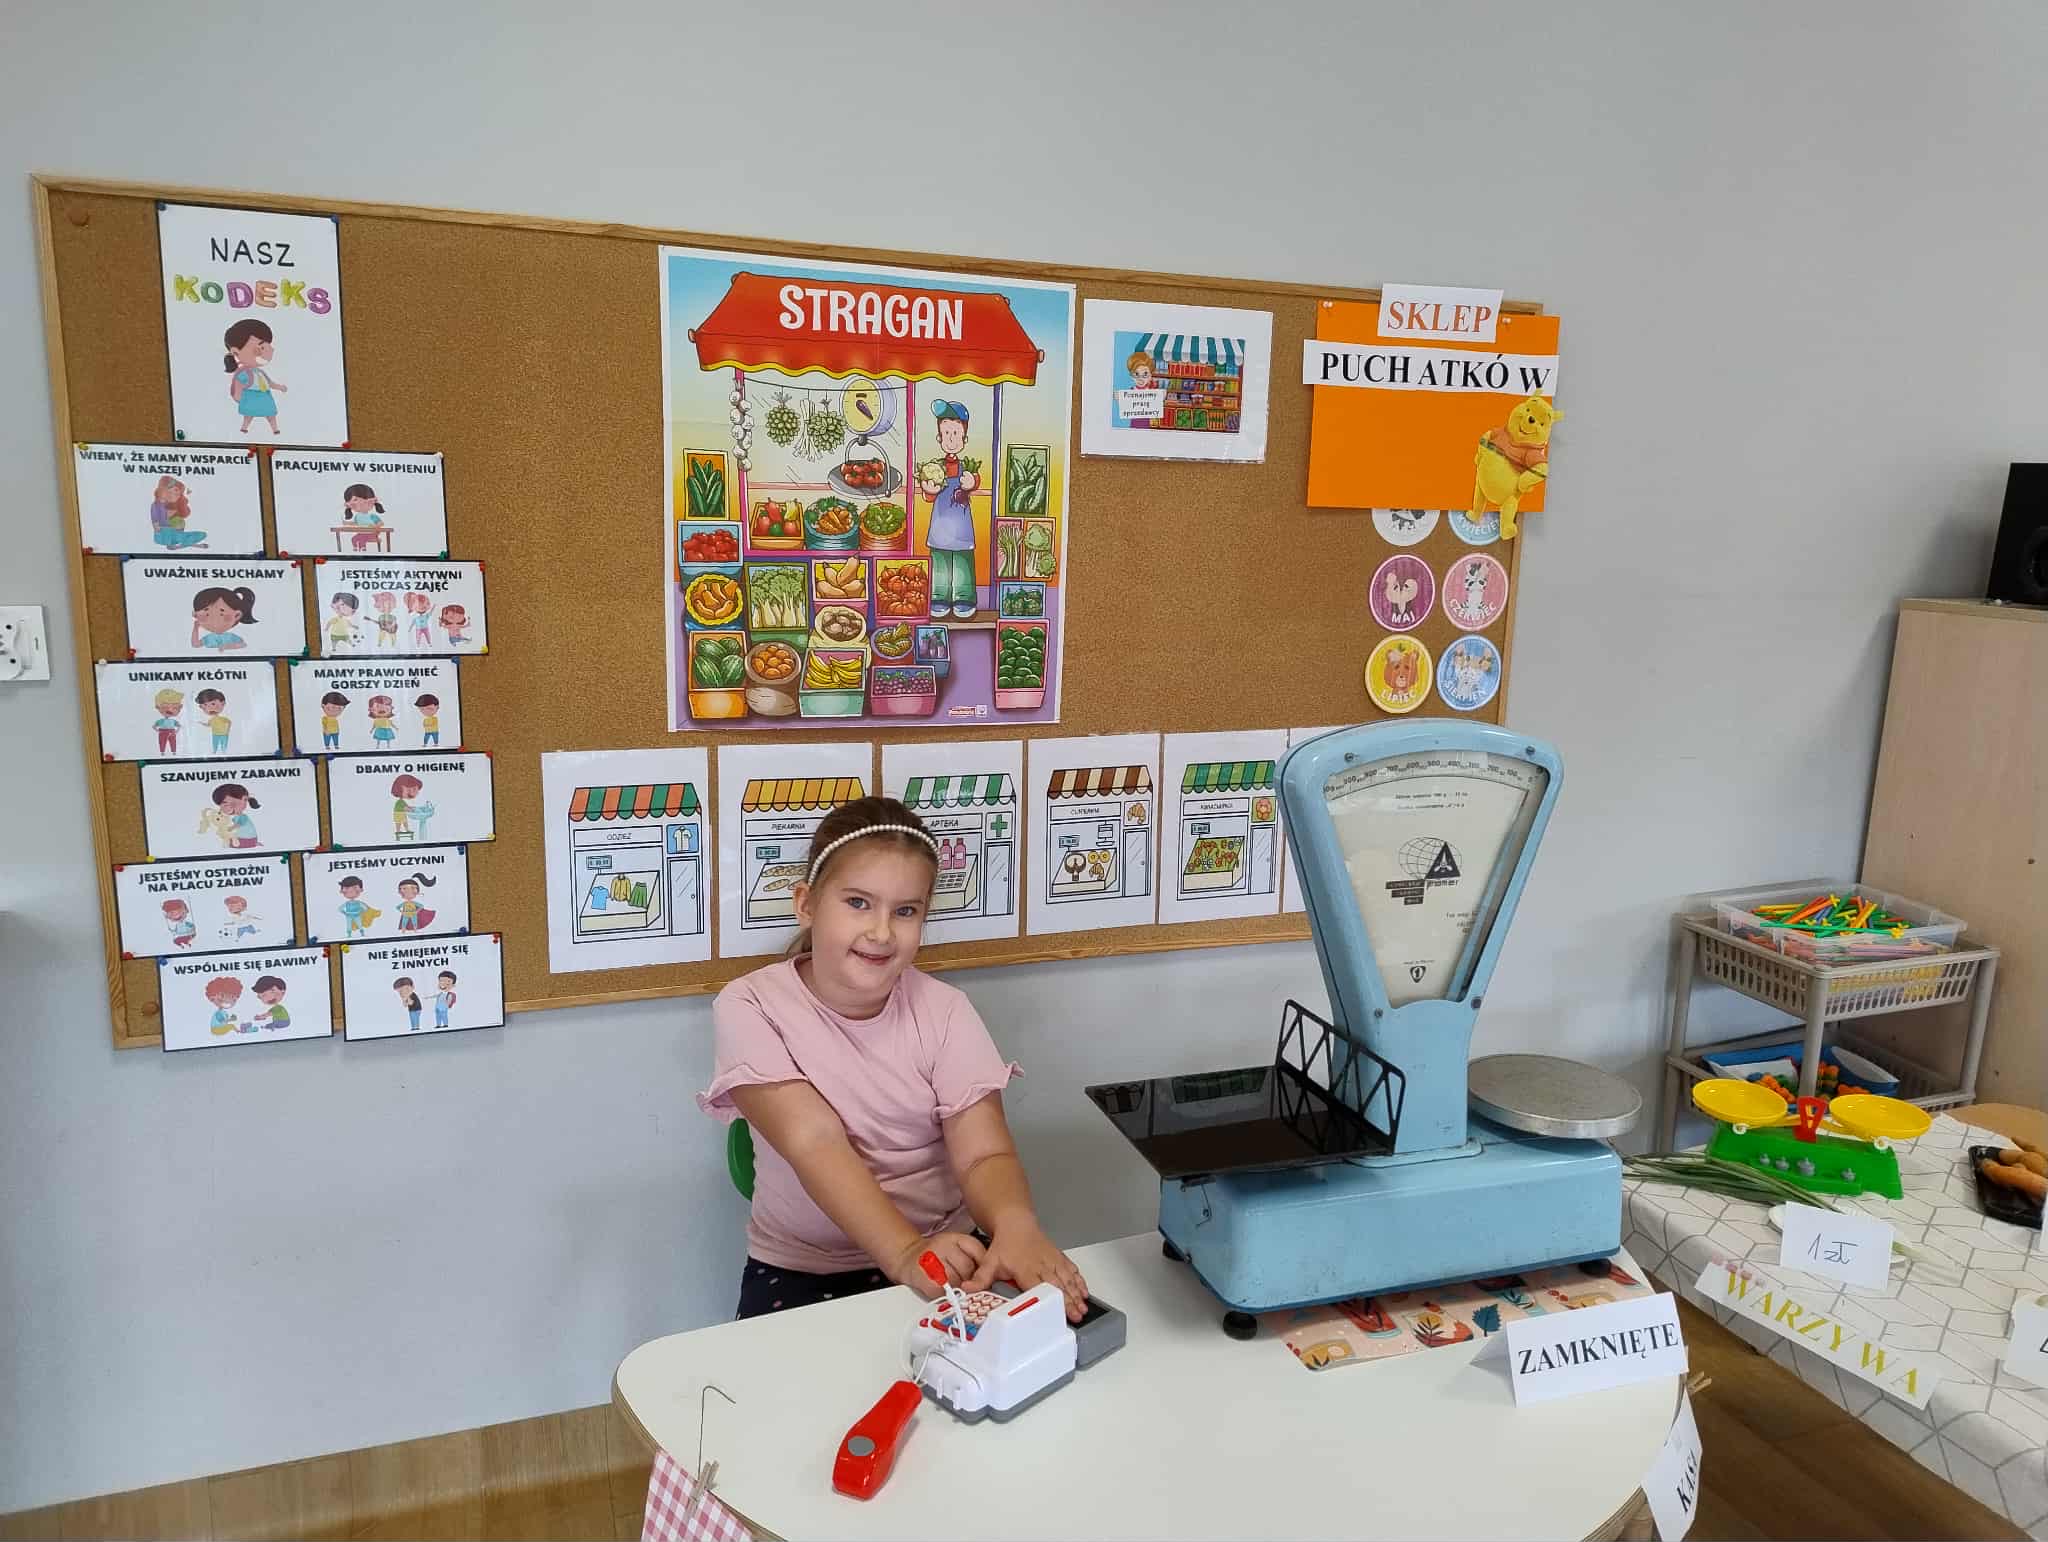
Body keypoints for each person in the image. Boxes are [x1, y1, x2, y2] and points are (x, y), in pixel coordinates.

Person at [699, 796, 1085, 1321]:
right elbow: (814, 1141)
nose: (881, 932)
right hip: (804, 1268)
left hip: (945, 1251)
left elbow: (983, 1155)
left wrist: (1016, 1226)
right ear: (807, 904)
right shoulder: (750, 1005)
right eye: (858, 903)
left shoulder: (946, 1010)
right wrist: (905, 1254)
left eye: (906, 911)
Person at [915, 400, 981, 618]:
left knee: (963, 562)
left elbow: (975, 481)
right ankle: (939, 597)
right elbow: (928, 497)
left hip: (961, 526)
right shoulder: (934, 468)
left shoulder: (967, 467)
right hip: (940, 526)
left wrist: (972, 483)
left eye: (955, 433)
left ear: (964, 439)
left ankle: (964, 597)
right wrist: (928, 490)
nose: (951, 439)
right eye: (946, 433)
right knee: (940, 563)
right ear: (939, 438)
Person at [224, 319, 286, 436]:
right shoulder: (243, 373)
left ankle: (275, 429)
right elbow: (238, 386)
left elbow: (269, 383)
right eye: (260, 348)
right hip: (251, 396)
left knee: (271, 414)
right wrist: (238, 398)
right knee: (249, 415)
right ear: (236, 352)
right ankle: (244, 428)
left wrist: (279, 387)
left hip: (265, 396)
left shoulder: (259, 372)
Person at [190, 586, 258, 652]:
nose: (214, 619)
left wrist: (227, 647)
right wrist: (195, 628)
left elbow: (243, 644)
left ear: (237, 615)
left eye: (221, 614)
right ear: (195, 615)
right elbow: (195, 644)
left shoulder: (231, 637)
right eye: (206, 614)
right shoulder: (208, 638)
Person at [149, 476, 208, 549]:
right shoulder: (156, 505)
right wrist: (160, 529)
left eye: (179, 493)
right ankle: (187, 545)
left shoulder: (172, 506)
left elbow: (178, 525)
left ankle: (179, 546)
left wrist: (178, 527)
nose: (176, 494)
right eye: (173, 490)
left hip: (174, 534)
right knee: (175, 534)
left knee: (202, 534)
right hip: (163, 535)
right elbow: (155, 523)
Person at [195, 688, 230, 753]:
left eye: (213, 704)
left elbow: (229, 723)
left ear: (223, 703)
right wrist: (201, 723)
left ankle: (223, 752)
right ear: (201, 707)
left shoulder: (224, 719)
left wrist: (226, 730)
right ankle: (214, 752)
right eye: (205, 705)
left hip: (224, 734)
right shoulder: (211, 720)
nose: (210, 708)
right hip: (215, 734)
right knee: (215, 744)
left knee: (223, 745)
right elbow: (208, 725)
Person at [152, 689, 185, 755]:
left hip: (171, 731)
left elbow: (179, 726)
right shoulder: (161, 720)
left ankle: (173, 751)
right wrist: (158, 731)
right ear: (158, 707)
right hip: (163, 731)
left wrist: (176, 731)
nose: (170, 710)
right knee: (162, 742)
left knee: (173, 742)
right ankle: (162, 751)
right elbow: (154, 726)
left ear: (180, 707)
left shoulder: (173, 720)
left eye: (174, 707)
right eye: (165, 707)